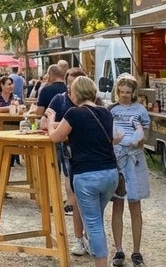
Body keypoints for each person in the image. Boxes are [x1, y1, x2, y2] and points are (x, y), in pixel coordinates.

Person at [45, 76, 121, 267]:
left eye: (71, 90)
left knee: (93, 223)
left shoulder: (73, 113)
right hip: (110, 173)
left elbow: (55, 137)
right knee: (96, 219)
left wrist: (51, 120)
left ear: (76, 93)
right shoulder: (105, 112)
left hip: (87, 174)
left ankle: (101, 263)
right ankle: (96, 251)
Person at [41, 67, 90, 255]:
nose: (71, 87)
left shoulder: (93, 101)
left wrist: (60, 125)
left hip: (90, 155)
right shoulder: (59, 99)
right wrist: (67, 126)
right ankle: (79, 239)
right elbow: (44, 123)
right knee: (74, 198)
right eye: (69, 83)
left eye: (76, 84)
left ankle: (90, 238)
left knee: (90, 200)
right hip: (68, 153)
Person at [109, 74, 150, 267]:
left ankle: (136, 250)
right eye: (122, 91)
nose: (125, 95)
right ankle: (118, 249)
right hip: (117, 158)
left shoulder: (140, 109)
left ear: (133, 92)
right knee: (117, 204)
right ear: (117, 91)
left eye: (128, 92)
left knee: (135, 205)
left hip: (135, 158)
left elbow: (146, 135)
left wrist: (140, 138)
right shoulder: (111, 109)